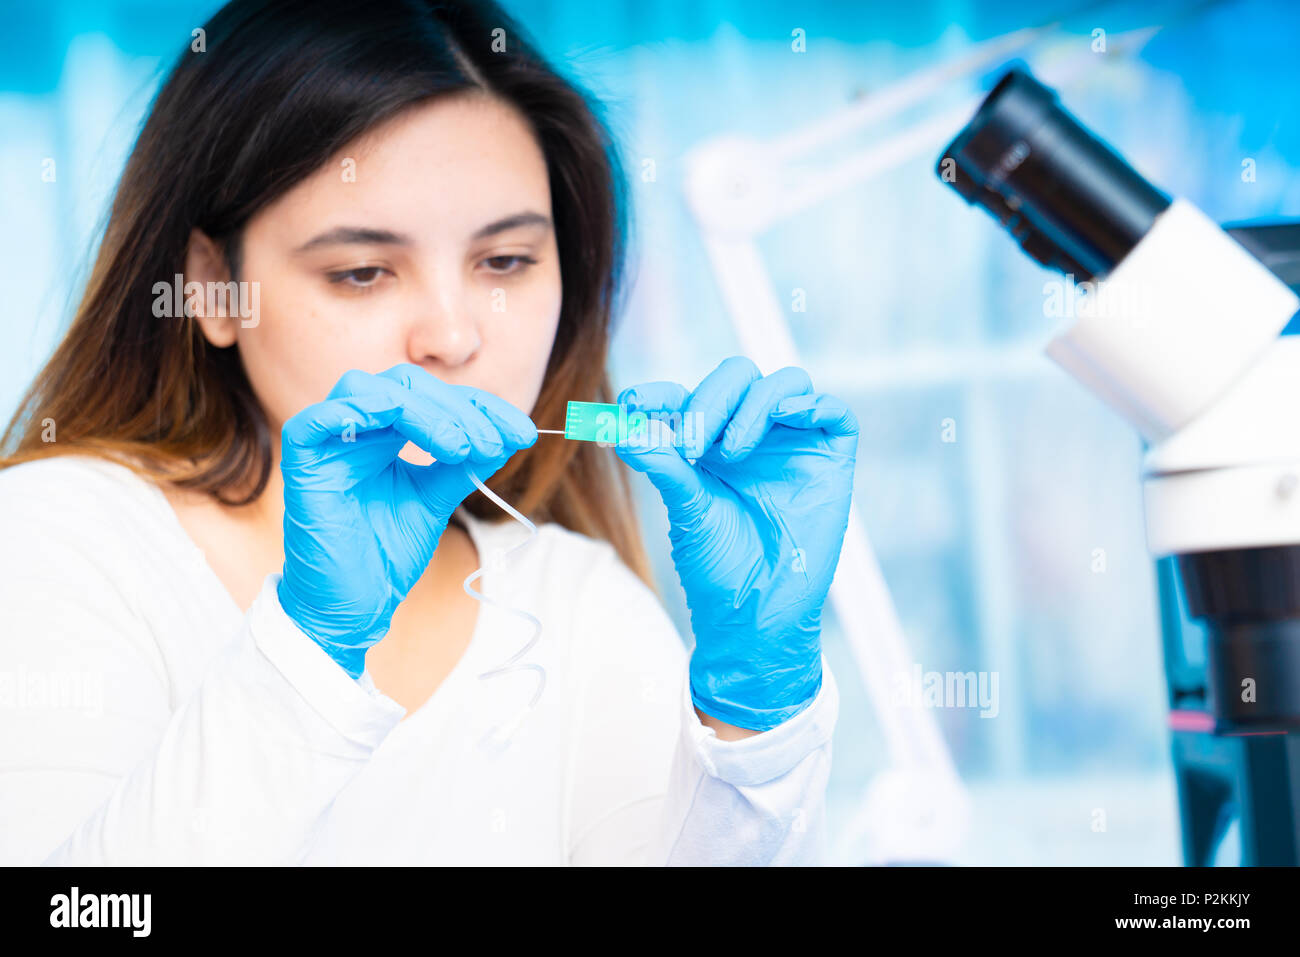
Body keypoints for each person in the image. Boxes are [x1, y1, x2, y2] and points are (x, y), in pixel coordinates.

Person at [0, 0, 858, 865]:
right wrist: (307, 650)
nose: (451, 336)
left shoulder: (574, 604)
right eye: (363, 271)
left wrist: (753, 720)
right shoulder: (62, 535)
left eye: (505, 262)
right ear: (215, 287)